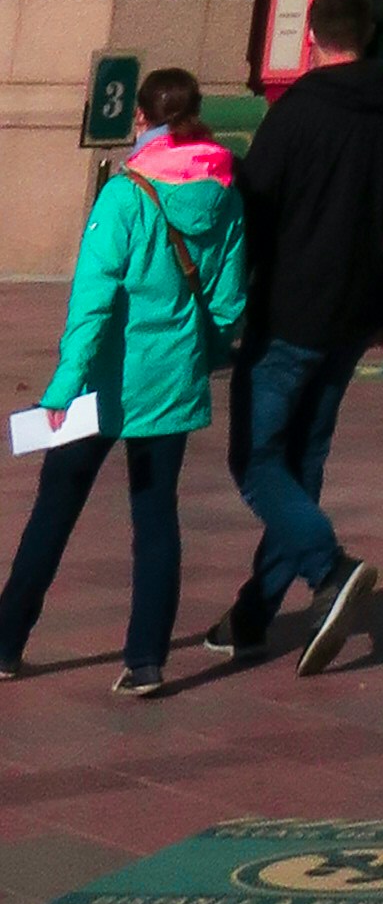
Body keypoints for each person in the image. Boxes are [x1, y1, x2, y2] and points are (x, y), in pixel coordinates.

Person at [0, 72, 244, 695]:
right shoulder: (223, 191)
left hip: (104, 385)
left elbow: (93, 302)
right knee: (157, 516)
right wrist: (202, 351)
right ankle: (146, 660)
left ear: (142, 118)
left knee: (54, 512)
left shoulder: (124, 193)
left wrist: (61, 386)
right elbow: (228, 300)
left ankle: (6, 642)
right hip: (172, 380)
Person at [217, 0, 383, 676]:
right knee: (303, 457)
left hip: (289, 307)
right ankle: (254, 613)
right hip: (355, 309)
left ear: (312, 36)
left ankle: (330, 567)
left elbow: (254, 210)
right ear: (368, 38)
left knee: (254, 461)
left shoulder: (295, 112)